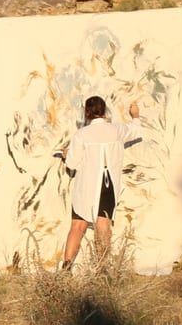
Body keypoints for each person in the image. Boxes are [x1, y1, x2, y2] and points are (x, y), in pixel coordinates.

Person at [57, 95, 142, 270]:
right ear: (104, 111)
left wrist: (66, 155)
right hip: (108, 183)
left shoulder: (82, 134)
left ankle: (66, 268)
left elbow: (72, 164)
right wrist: (135, 115)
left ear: (87, 113)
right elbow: (135, 131)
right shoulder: (116, 130)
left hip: (87, 184)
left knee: (78, 224)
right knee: (103, 225)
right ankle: (102, 268)